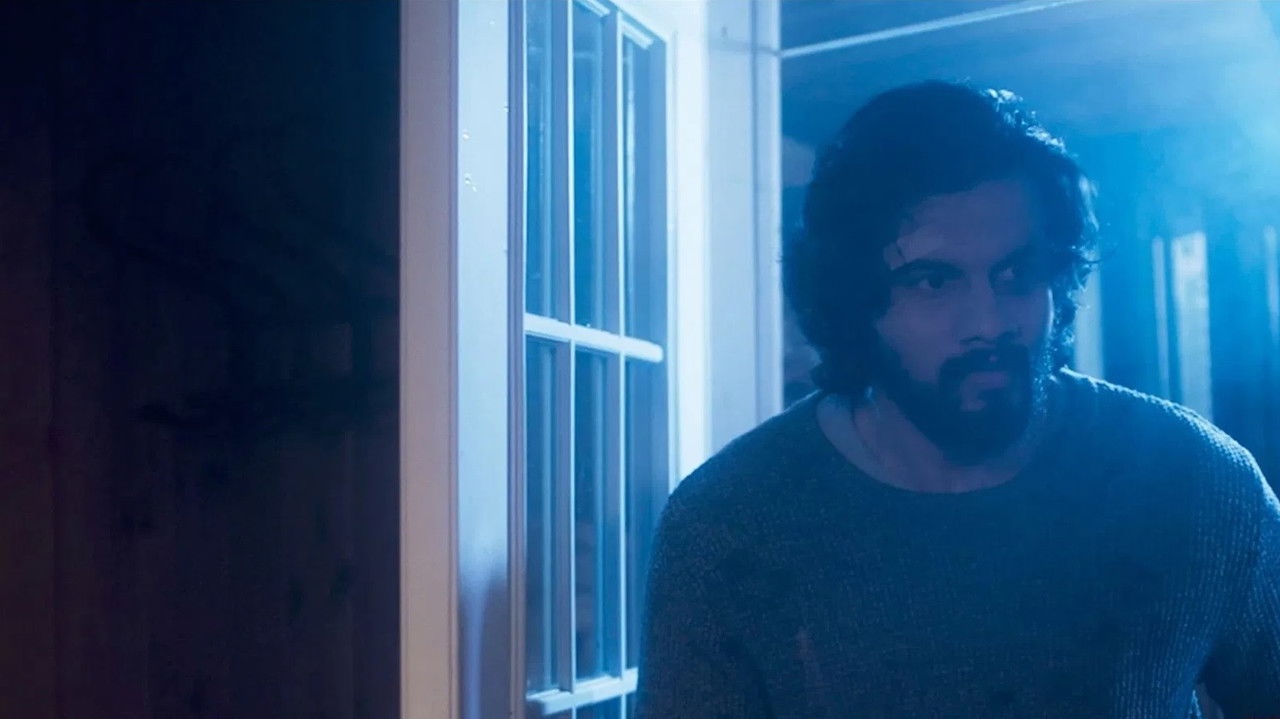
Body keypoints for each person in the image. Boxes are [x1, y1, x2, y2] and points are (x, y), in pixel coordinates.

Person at [633, 81, 1280, 718]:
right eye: (934, 281)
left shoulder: (1192, 478)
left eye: (1017, 274)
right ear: (856, 301)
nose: (988, 322)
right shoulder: (733, 525)